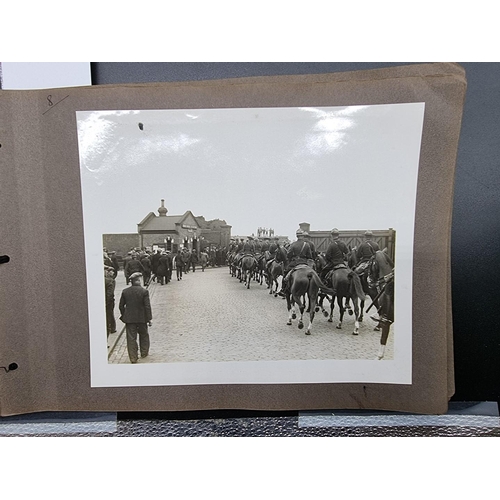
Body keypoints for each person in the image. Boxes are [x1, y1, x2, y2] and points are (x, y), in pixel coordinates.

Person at [119, 272, 152, 364]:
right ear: (138, 280)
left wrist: (124, 315)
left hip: (129, 319)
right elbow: (147, 306)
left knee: (131, 338)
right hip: (142, 318)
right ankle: (144, 352)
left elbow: (121, 306)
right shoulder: (144, 291)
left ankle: (133, 358)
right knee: (144, 335)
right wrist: (149, 318)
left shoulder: (125, 291)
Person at [279, 230, 314, 296]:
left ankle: (283, 289)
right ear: (303, 236)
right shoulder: (306, 245)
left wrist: (290, 259)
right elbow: (310, 256)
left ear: (297, 236)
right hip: (304, 263)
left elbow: (288, 255)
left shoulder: (293, 244)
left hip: (294, 263)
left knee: (286, 273)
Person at [104, 267, 116, 336]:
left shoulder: (111, 280)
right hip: (109, 301)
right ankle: (112, 327)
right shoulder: (109, 280)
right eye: (110, 271)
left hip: (110, 301)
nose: (112, 273)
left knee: (110, 314)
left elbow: (110, 293)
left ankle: (112, 328)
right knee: (110, 314)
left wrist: (106, 302)